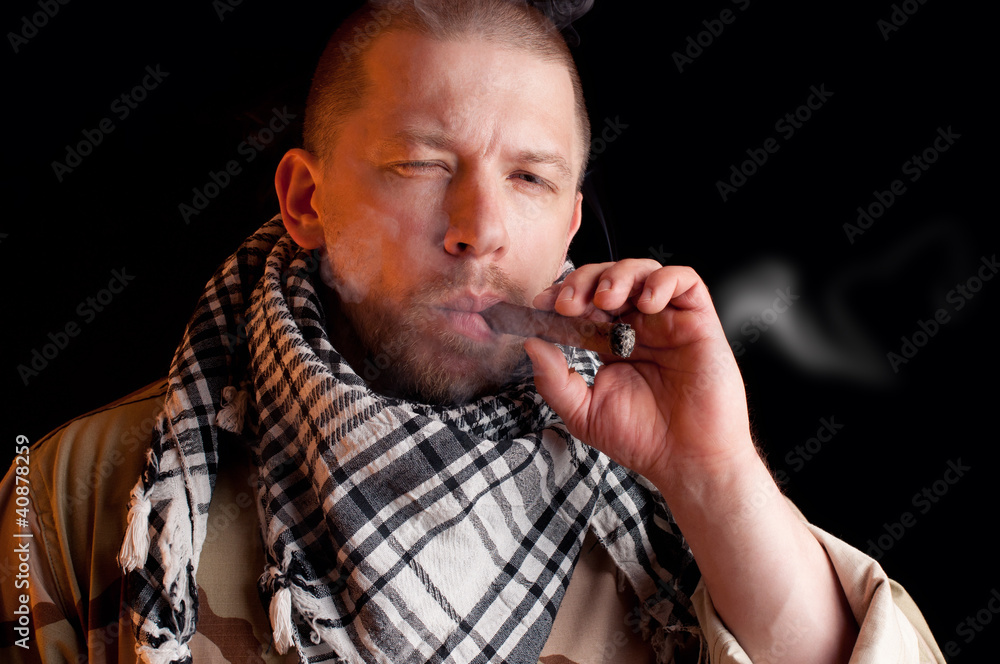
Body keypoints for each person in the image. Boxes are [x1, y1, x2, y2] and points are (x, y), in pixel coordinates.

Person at [1, 1, 946, 662]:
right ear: (304, 200)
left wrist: (713, 474)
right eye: (420, 164)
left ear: (570, 226)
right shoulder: (75, 495)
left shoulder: (676, 498)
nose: (479, 229)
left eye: (529, 178)